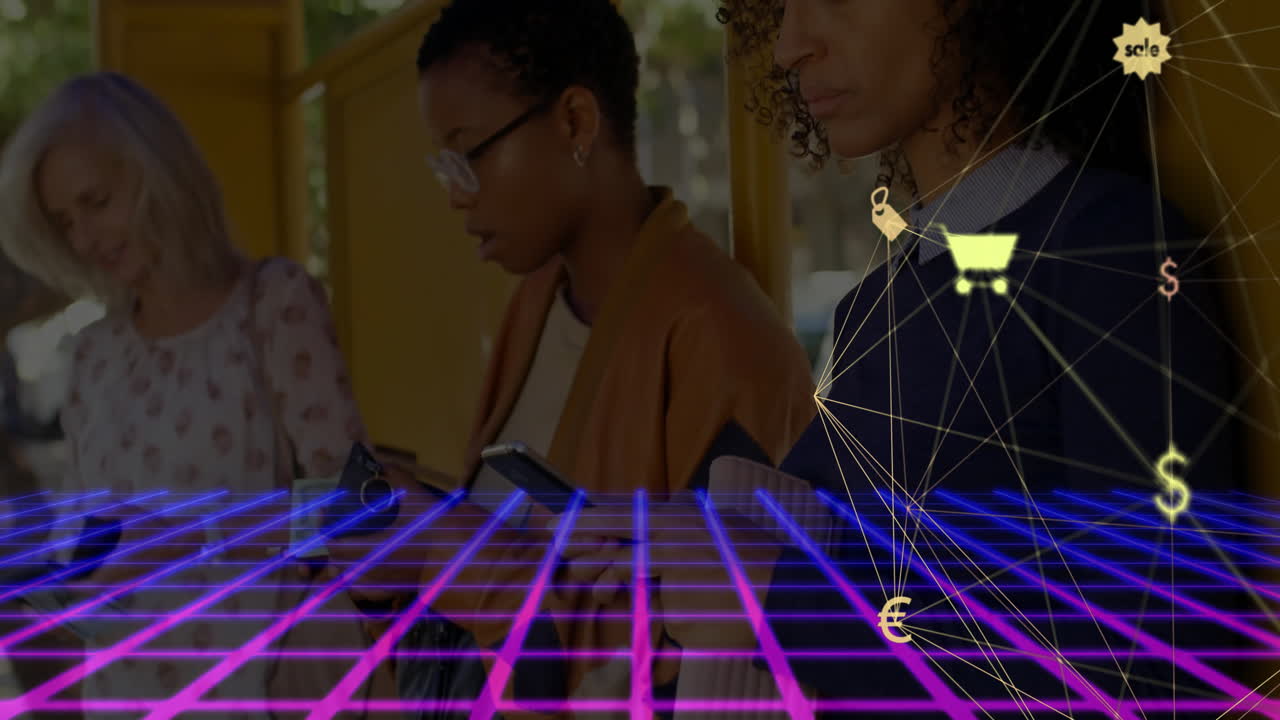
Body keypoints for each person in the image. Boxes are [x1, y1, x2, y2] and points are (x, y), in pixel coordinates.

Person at [565, 0, 1243, 712]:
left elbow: (1160, 663)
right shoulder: (876, 308)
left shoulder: (1111, 251)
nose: (788, 47)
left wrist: (778, 594)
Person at [323, 0, 817, 710]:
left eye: (467, 156)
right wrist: (394, 558)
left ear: (577, 121)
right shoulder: (536, 302)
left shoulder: (722, 339)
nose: (456, 198)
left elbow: (701, 654)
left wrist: (443, 550)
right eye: (443, 167)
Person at [0, 72, 392, 718]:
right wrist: (69, 582)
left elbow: (359, 510)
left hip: (257, 688)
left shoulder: (272, 306)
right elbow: (89, 532)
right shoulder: (96, 354)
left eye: (95, 201)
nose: (84, 238)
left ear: (158, 169)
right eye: (65, 222)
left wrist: (196, 540)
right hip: (125, 693)